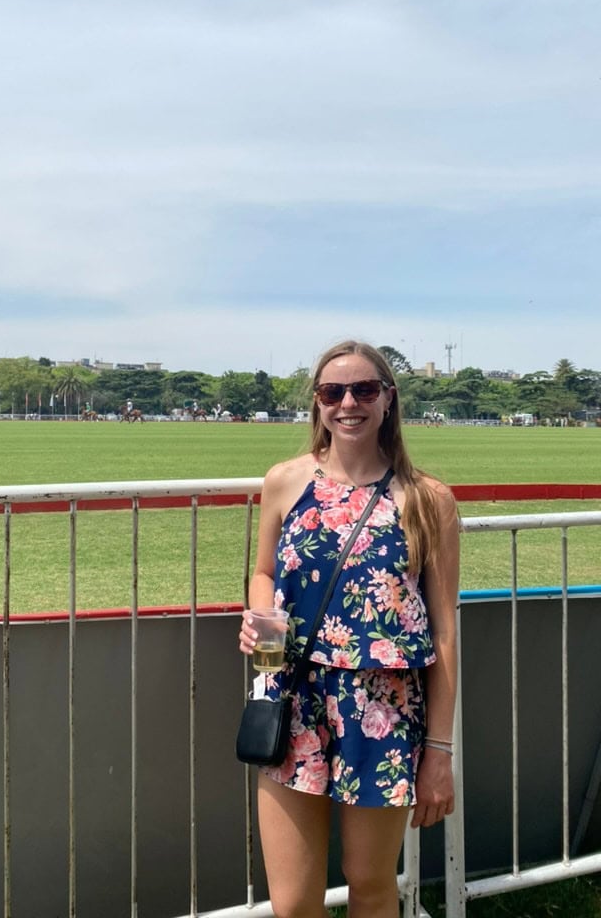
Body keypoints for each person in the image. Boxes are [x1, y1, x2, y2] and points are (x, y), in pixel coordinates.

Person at [238, 339, 459, 918]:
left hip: (382, 710)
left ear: (389, 398)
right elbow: (263, 575)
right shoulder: (285, 482)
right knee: (292, 903)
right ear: (317, 402)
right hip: (293, 699)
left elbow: (444, 632)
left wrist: (439, 750)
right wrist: (265, 637)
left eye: (364, 389)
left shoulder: (427, 500)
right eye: (333, 392)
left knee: (370, 884)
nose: (348, 404)